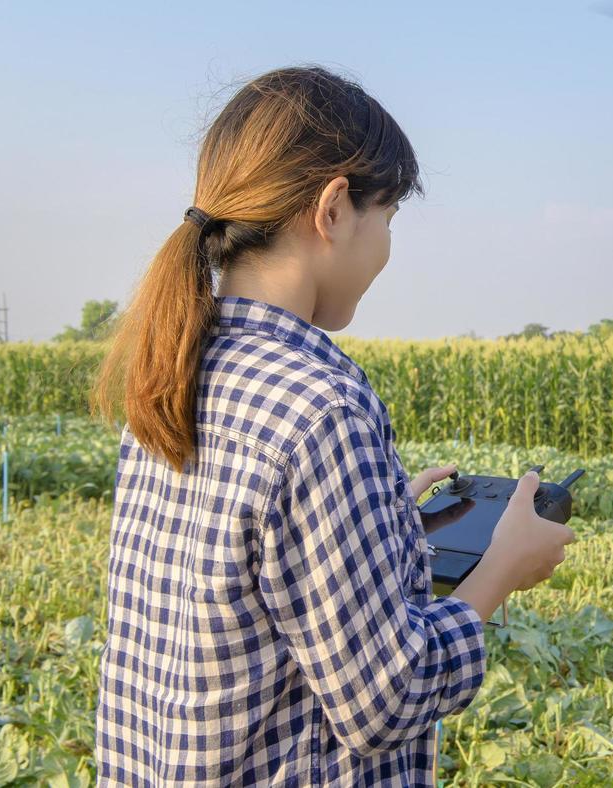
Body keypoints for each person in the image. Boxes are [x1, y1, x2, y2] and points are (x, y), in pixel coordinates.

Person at [90, 65, 574, 785]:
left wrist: (370, 521)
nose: (385, 246)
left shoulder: (175, 369)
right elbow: (383, 700)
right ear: (334, 209)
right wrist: (501, 573)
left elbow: (239, 577)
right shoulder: (321, 406)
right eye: (388, 218)